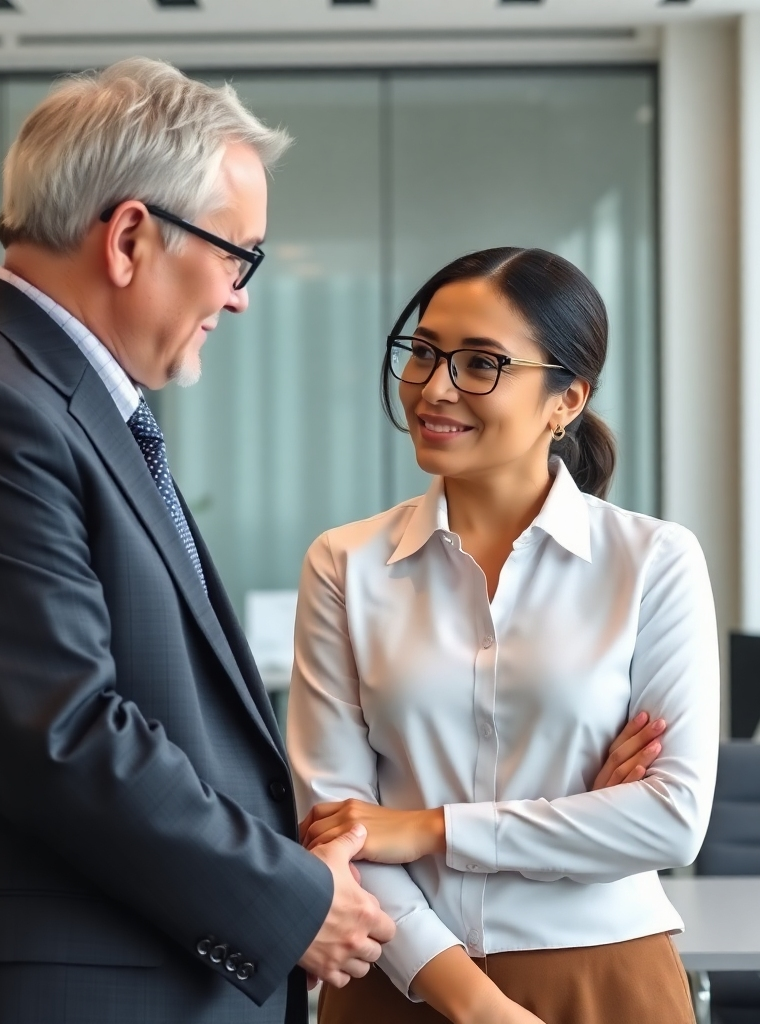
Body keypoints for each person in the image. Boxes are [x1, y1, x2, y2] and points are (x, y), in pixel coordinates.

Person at [0, 58, 393, 1024]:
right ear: (131, 236)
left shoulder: (47, 399)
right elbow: (65, 737)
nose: (240, 296)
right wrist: (290, 903)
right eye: (239, 256)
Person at [288, 248, 719, 1024]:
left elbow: (671, 820)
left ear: (566, 400)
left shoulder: (653, 561)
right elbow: (340, 827)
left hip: (605, 982)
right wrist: (478, 1003)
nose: (434, 386)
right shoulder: (344, 564)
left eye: (481, 363)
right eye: (424, 352)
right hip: (399, 980)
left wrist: (426, 828)